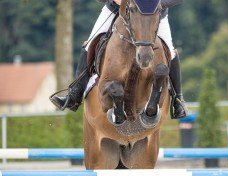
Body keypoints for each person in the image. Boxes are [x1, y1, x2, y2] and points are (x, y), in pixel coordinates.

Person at [50, 0, 188, 119]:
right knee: (90, 43)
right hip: (115, 11)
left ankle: (177, 100)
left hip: (153, 16)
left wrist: (157, 4)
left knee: (170, 50)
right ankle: (74, 95)